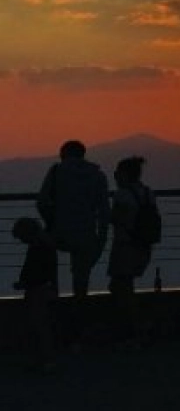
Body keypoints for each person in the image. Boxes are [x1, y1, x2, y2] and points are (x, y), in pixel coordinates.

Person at [36, 140, 110, 338]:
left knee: (49, 274)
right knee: (81, 284)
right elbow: (104, 213)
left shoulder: (56, 172)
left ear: (63, 154)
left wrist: (51, 220)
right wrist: (101, 241)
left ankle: (52, 324)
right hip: (86, 234)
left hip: (59, 233)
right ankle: (79, 329)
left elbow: (42, 202)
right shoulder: (98, 176)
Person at [107, 156, 155, 348]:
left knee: (121, 288)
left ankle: (136, 329)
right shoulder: (148, 193)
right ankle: (139, 327)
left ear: (124, 174)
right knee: (124, 287)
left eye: (117, 173)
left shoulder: (121, 195)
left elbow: (116, 218)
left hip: (124, 246)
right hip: (143, 245)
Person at [12, 217, 58, 371]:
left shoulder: (38, 248)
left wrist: (24, 283)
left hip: (37, 290)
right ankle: (44, 358)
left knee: (39, 325)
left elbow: (35, 272)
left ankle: (46, 358)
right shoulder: (45, 245)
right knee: (40, 325)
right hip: (41, 289)